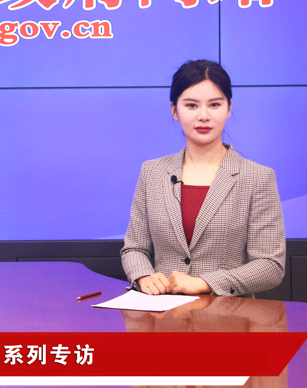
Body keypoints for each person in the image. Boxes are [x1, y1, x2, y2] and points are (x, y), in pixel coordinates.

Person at [121, 60, 285, 297]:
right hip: (161, 313)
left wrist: (204, 283)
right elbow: (134, 248)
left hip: (227, 314)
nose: (204, 116)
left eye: (215, 105)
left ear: (228, 108)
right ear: (174, 110)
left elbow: (271, 266)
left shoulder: (258, 177)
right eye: (191, 105)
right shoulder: (152, 172)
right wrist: (143, 276)